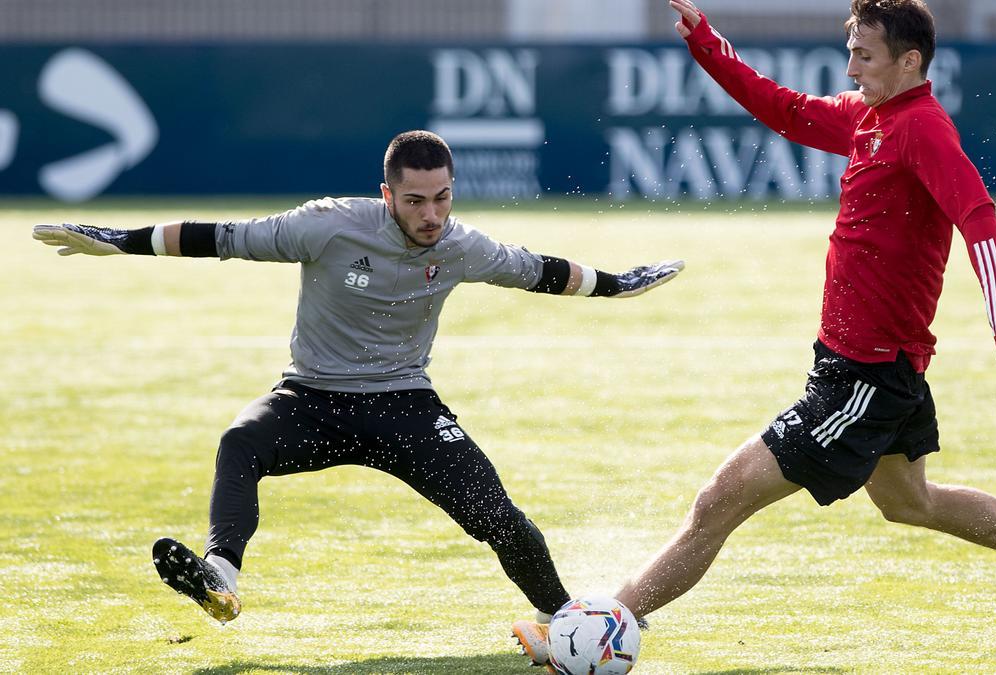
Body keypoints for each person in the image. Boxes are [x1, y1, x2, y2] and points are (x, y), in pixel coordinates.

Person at [513, 0, 996, 666]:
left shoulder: (921, 129)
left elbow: (976, 215)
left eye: (864, 54)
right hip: (857, 367)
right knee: (910, 501)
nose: (852, 65)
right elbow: (785, 108)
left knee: (718, 500)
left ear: (909, 60)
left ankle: (598, 633)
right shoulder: (869, 118)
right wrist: (707, 45)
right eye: (851, 51)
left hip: (864, 379)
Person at [32, 130, 685, 634]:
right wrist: (120, 239)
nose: (432, 215)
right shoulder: (330, 224)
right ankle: (221, 577)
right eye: (415, 201)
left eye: (442, 197)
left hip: (405, 406)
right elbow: (222, 236)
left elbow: (539, 269)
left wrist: (617, 283)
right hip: (311, 400)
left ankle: (565, 617)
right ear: (386, 196)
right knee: (240, 441)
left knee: (499, 517)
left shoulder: (461, 244)